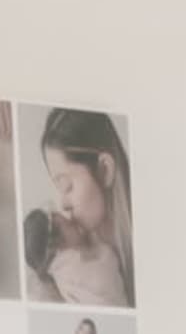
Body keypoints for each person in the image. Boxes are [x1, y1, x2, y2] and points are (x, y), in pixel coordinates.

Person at [26, 110, 134, 306]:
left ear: (104, 170)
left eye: (67, 186)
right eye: (59, 189)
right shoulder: (68, 265)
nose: (63, 205)